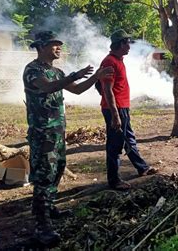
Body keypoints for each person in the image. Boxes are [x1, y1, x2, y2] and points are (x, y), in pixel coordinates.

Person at [23, 31, 113, 246]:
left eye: (59, 45)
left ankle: (50, 207)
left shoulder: (57, 71)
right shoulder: (33, 70)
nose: (59, 48)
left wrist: (95, 77)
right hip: (42, 132)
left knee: (57, 169)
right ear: (41, 47)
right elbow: (48, 87)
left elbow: (79, 90)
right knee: (44, 175)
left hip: (57, 131)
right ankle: (41, 225)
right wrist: (73, 75)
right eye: (54, 45)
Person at [99, 29, 158, 191]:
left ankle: (142, 167)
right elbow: (107, 89)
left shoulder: (119, 60)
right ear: (120, 44)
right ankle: (114, 180)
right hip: (115, 109)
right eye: (127, 43)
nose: (129, 46)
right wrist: (115, 115)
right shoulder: (109, 62)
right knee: (115, 144)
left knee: (129, 139)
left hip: (122, 107)